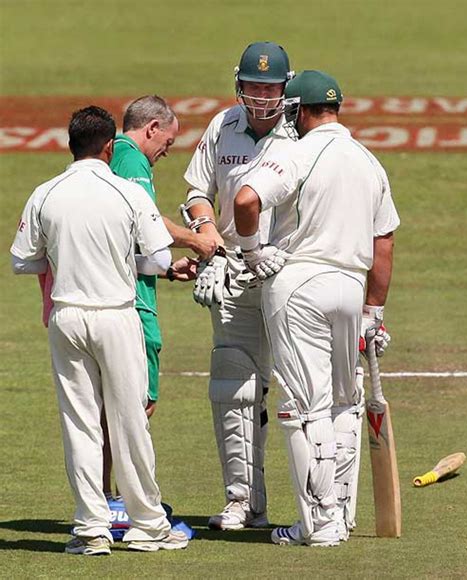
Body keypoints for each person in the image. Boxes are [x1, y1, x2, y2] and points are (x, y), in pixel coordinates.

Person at [10, 106, 189, 555]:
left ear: (71, 144)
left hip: (67, 316)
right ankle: (148, 526)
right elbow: (160, 258)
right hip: (116, 315)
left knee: (81, 424)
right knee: (128, 422)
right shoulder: (127, 192)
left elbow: (22, 259)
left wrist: (63, 264)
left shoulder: (46, 193)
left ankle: (91, 530)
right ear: (109, 145)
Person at [233, 70, 400, 547]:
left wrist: (251, 252)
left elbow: (246, 201)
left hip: (298, 284)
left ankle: (317, 525)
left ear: (302, 111)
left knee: (305, 409)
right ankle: (340, 515)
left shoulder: (295, 152)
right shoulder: (370, 162)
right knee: (346, 400)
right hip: (350, 288)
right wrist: (375, 312)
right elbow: (383, 242)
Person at [182, 41, 294, 530]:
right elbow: (196, 191)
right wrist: (206, 230)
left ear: (285, 88)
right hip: (232, 271)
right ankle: (242, 502)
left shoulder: (302, 132)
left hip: (289, 273)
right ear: (239, 85)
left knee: (303, 388)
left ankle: (327, 506)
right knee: (233, 387)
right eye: (253, 86)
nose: (262, 95)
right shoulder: (222, 124)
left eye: (270, 87)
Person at [102, 95, 216, 502]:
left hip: (121, 287)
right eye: (167, 142)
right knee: (138, 402)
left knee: (115, 405)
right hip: (134, 303)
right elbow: (146, 219)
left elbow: (123, 239)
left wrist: (167, 268)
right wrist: (198, 240)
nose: (166, 152)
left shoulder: (113, 156)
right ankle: (131, 499)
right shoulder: (131, 157)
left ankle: (110, 496)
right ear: (151, 128)